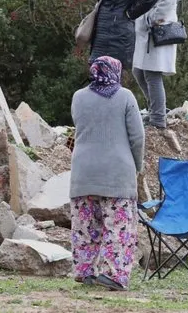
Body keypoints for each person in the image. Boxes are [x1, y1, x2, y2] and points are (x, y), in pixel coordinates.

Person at [69, 56, 145, 291]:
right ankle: (114, 274)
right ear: (116, 72)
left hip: (83, 172)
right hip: (117, 173)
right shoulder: (125, 97)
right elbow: (138, 137)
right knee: (117, 226)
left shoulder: (78, 97)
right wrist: (137, 166)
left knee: (85, 226)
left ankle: (86, 271)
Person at [132, 0, 186, 129]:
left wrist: (154, 16)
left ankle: (157, 120)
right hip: (148, 29)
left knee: (152, 74)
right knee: (139, 70)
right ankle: (156, 111)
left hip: (157, 28)